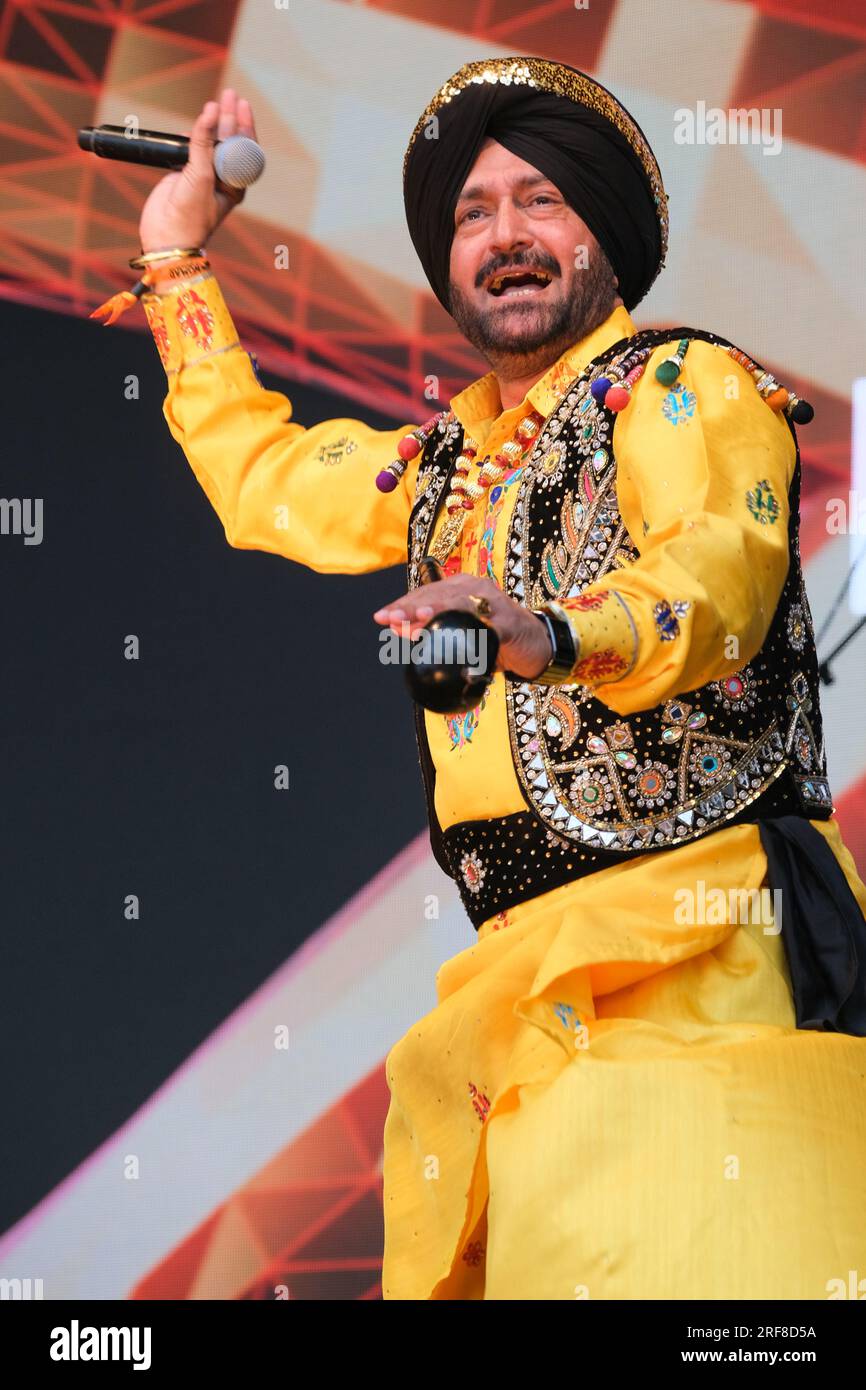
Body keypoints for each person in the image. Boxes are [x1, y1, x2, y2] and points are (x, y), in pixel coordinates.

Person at [127, 60, 866, 1301]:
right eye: (472, 214)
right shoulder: (448, 466)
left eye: (540, 201)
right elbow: (265, 482)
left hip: (703, 977)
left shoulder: (684, 386)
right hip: (526, 1011)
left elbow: (714, 580)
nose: (504, 238)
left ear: (605, 238)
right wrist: (176, 261)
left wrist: (548, 632)